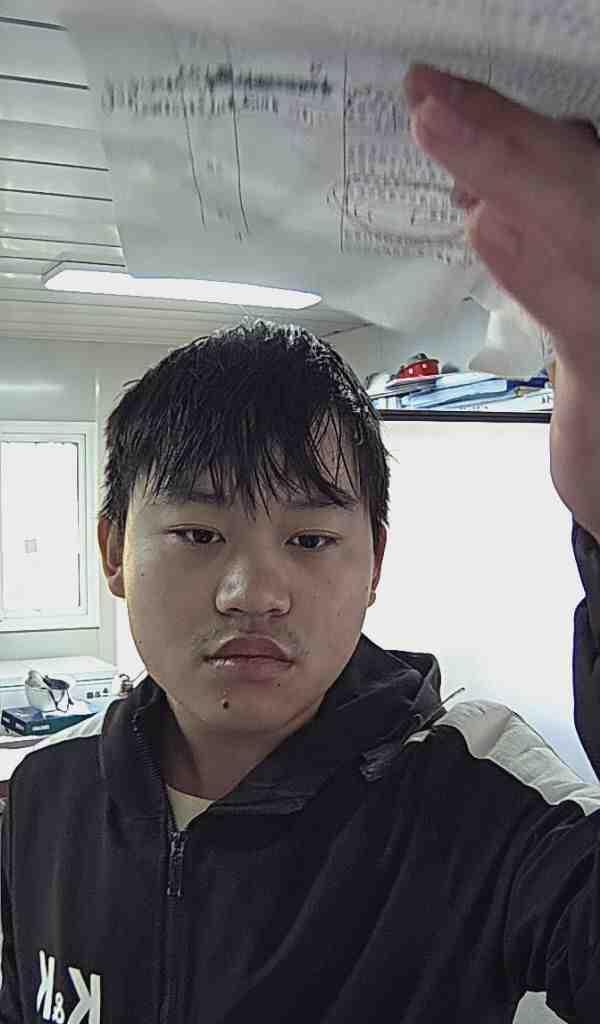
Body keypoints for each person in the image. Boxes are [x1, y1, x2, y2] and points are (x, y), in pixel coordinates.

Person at [1, 317, 600, 1024]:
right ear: (114, 552)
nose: (253, 594)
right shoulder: (44, 791)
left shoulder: (484, 800)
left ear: (374, 565)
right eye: (197, 534)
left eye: (310, 540)